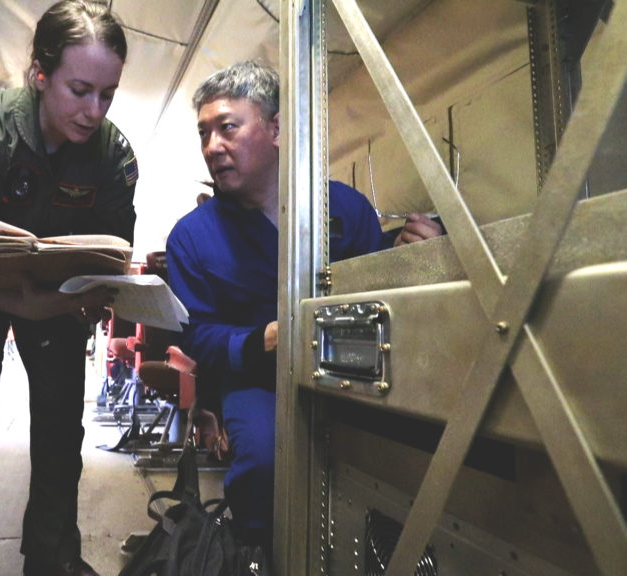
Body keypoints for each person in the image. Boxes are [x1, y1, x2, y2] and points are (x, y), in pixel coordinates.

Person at [165, 61, 440, 553]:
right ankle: (257, 553)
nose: (212, 147)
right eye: (203, 133)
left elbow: (377, 290)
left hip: (354, 372)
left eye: (227, 127)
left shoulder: (344, 209)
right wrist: (260, 340)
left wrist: (415, 252)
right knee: (268, 460)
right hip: (259, 380)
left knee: (417, 451)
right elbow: (195, 334)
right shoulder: (191, 238)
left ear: (275, 129)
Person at [0, 2, 137, 575]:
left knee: (62, 426)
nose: (93, 111)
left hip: (58, 295)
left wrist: (81, 296)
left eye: (107, 95)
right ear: (40, 72)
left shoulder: (112, 154)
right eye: (79, 89)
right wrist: (6, 299)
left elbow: (112, 250)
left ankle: (53, 558)